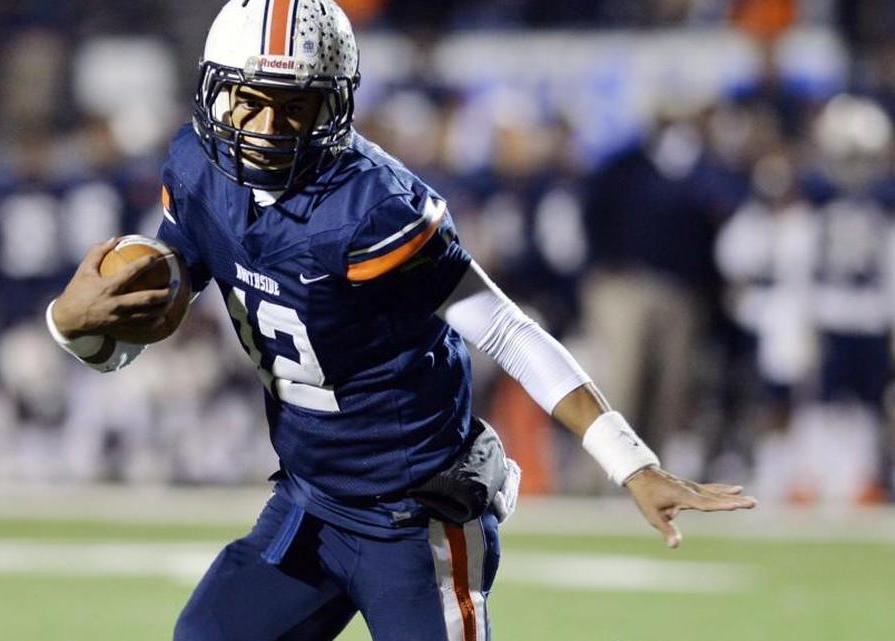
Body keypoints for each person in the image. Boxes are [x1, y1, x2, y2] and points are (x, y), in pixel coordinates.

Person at [46, 2, 757, 639]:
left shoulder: (372, 208)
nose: (268, 129)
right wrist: (70, 326)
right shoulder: (201, 171)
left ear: (334, 109)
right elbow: (144, 316)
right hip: (312, 502)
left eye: (295, 107)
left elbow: (508, 329)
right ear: (213, 94)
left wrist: (631, 461)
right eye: (251, 102)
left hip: (415, 519)